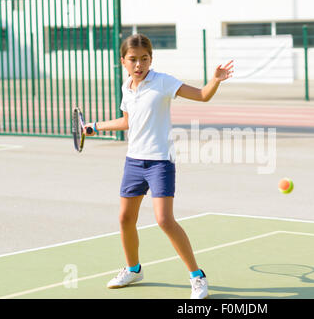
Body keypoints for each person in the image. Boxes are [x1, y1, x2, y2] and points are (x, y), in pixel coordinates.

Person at [84, 33, 233, 299]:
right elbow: (127, 121)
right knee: (125, 219)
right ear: (123, 61)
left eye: (144, 59)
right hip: (133, 161)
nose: (139, 65)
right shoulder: (127, 87)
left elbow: (201, 96)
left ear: (151, 59)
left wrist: (215, 81)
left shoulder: (162, 82)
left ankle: (197, 277)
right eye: (133, 60)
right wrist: (96, 126)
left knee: (164, 220)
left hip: (160, 162)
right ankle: (133, 269)